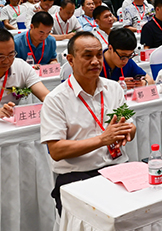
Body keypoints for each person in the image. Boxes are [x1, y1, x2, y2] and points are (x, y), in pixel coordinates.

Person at [41, 31, 137, 214]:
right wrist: (103, 139)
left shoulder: (114, 88)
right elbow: (56, 150)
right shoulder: (56, 99)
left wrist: (127, 131)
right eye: (87, 56)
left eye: (99, 55)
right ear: (70, 60)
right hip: (77, 175)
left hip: (116, 167)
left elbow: (131, 128)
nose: (95, 61)